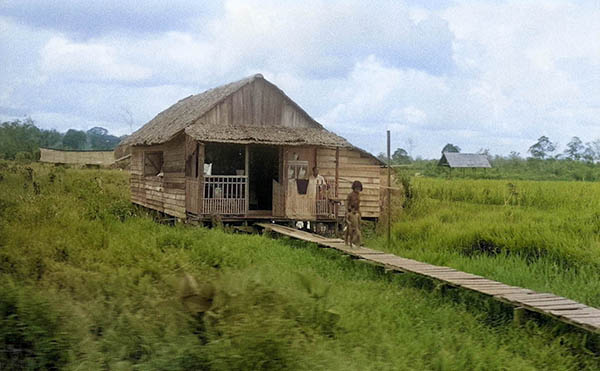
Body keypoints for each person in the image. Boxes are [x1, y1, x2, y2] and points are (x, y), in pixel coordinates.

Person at [344, 180, 363, 247]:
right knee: (349, 227)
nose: (358, 190)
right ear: (354, 188)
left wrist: (359, 212)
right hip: (350, 212)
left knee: (358, 226)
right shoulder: (350, 195)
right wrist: (347, 211)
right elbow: (346, 203)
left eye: (359, 188)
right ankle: (346, 240)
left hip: (356, 212)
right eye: (357, 188)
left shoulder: (358, 195)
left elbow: (358, 205)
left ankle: (358, 241)